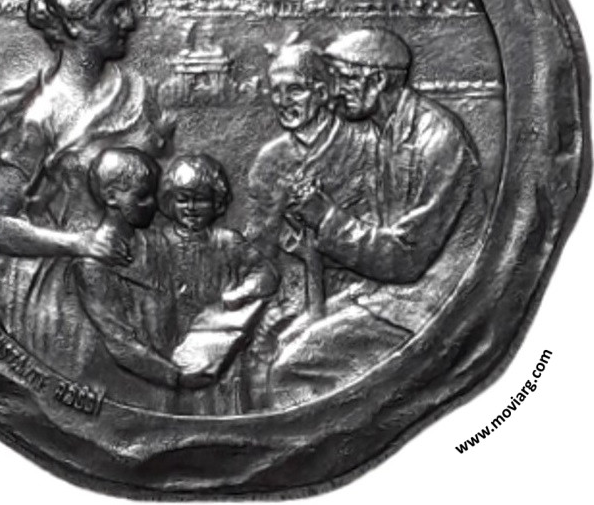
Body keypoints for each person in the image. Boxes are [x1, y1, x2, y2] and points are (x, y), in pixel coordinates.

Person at [0, 0, 172, 379]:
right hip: (67, 301)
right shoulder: (38, 117)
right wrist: (80, 243)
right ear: (78, 25)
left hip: (140, 282)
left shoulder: (139, 92)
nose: (130, 22)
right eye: (115, 10)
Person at [271, 27, 486, 403]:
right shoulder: (381, 133)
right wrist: (310, 223)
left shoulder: (437, 140)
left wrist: (327, 217)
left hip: (434, 300)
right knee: (285, 339)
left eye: (343, 80)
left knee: (292, 366)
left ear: (378, 81)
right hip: (388, 292)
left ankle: (336, 435)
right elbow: (371, 235)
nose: (333, 93)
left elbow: (405, 259)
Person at [244, 41, 376, 404]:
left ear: (321, 92)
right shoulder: (269, 161)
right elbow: (258, 244)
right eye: (276, 91)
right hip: (291, 291)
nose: (283, 101)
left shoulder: (365, 146)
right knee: (261, 355)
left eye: (295, 90)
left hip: (358, 291)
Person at [156, 153, 279, 414]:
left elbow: (266, 274)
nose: (191, 207)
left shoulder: (228, 241)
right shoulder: (159, 243)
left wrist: (240, 293)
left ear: (217, 202)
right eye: (183, 199)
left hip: (219, 338)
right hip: (172, 334)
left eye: (201, 199)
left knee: (219, 399)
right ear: (169, 201)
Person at [70, 147, 186, 410]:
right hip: (125, 391)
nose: (153, 204)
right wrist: (178, 377)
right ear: (112, 197)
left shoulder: (156, 243)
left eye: (153, 195)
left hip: (170, 369)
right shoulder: (91, 266)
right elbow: (120, 342)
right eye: (142, 196)